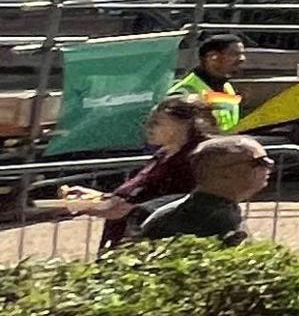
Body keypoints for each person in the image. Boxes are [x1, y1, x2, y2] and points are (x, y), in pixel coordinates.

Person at [55, 89, 213, 244]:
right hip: (125, 235)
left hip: (154, 241)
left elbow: (143, 204)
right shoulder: (163, 154)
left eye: (157, 123)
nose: (148, 128)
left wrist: (87, 207)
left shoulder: (193, 158)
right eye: (148, 122)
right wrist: (98, 197)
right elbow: (136, 195)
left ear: (184, 124)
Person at [124, 133, 271, 244]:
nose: (270, 165)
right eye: (260, 162)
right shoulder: (203, 218)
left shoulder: (215, 207)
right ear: (226, 172)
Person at [171, 31, 246, 132]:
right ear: (212, 58)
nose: (242, 59)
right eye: (234, 54)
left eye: (242, 54)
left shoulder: (226, 87)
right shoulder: (184, 92)